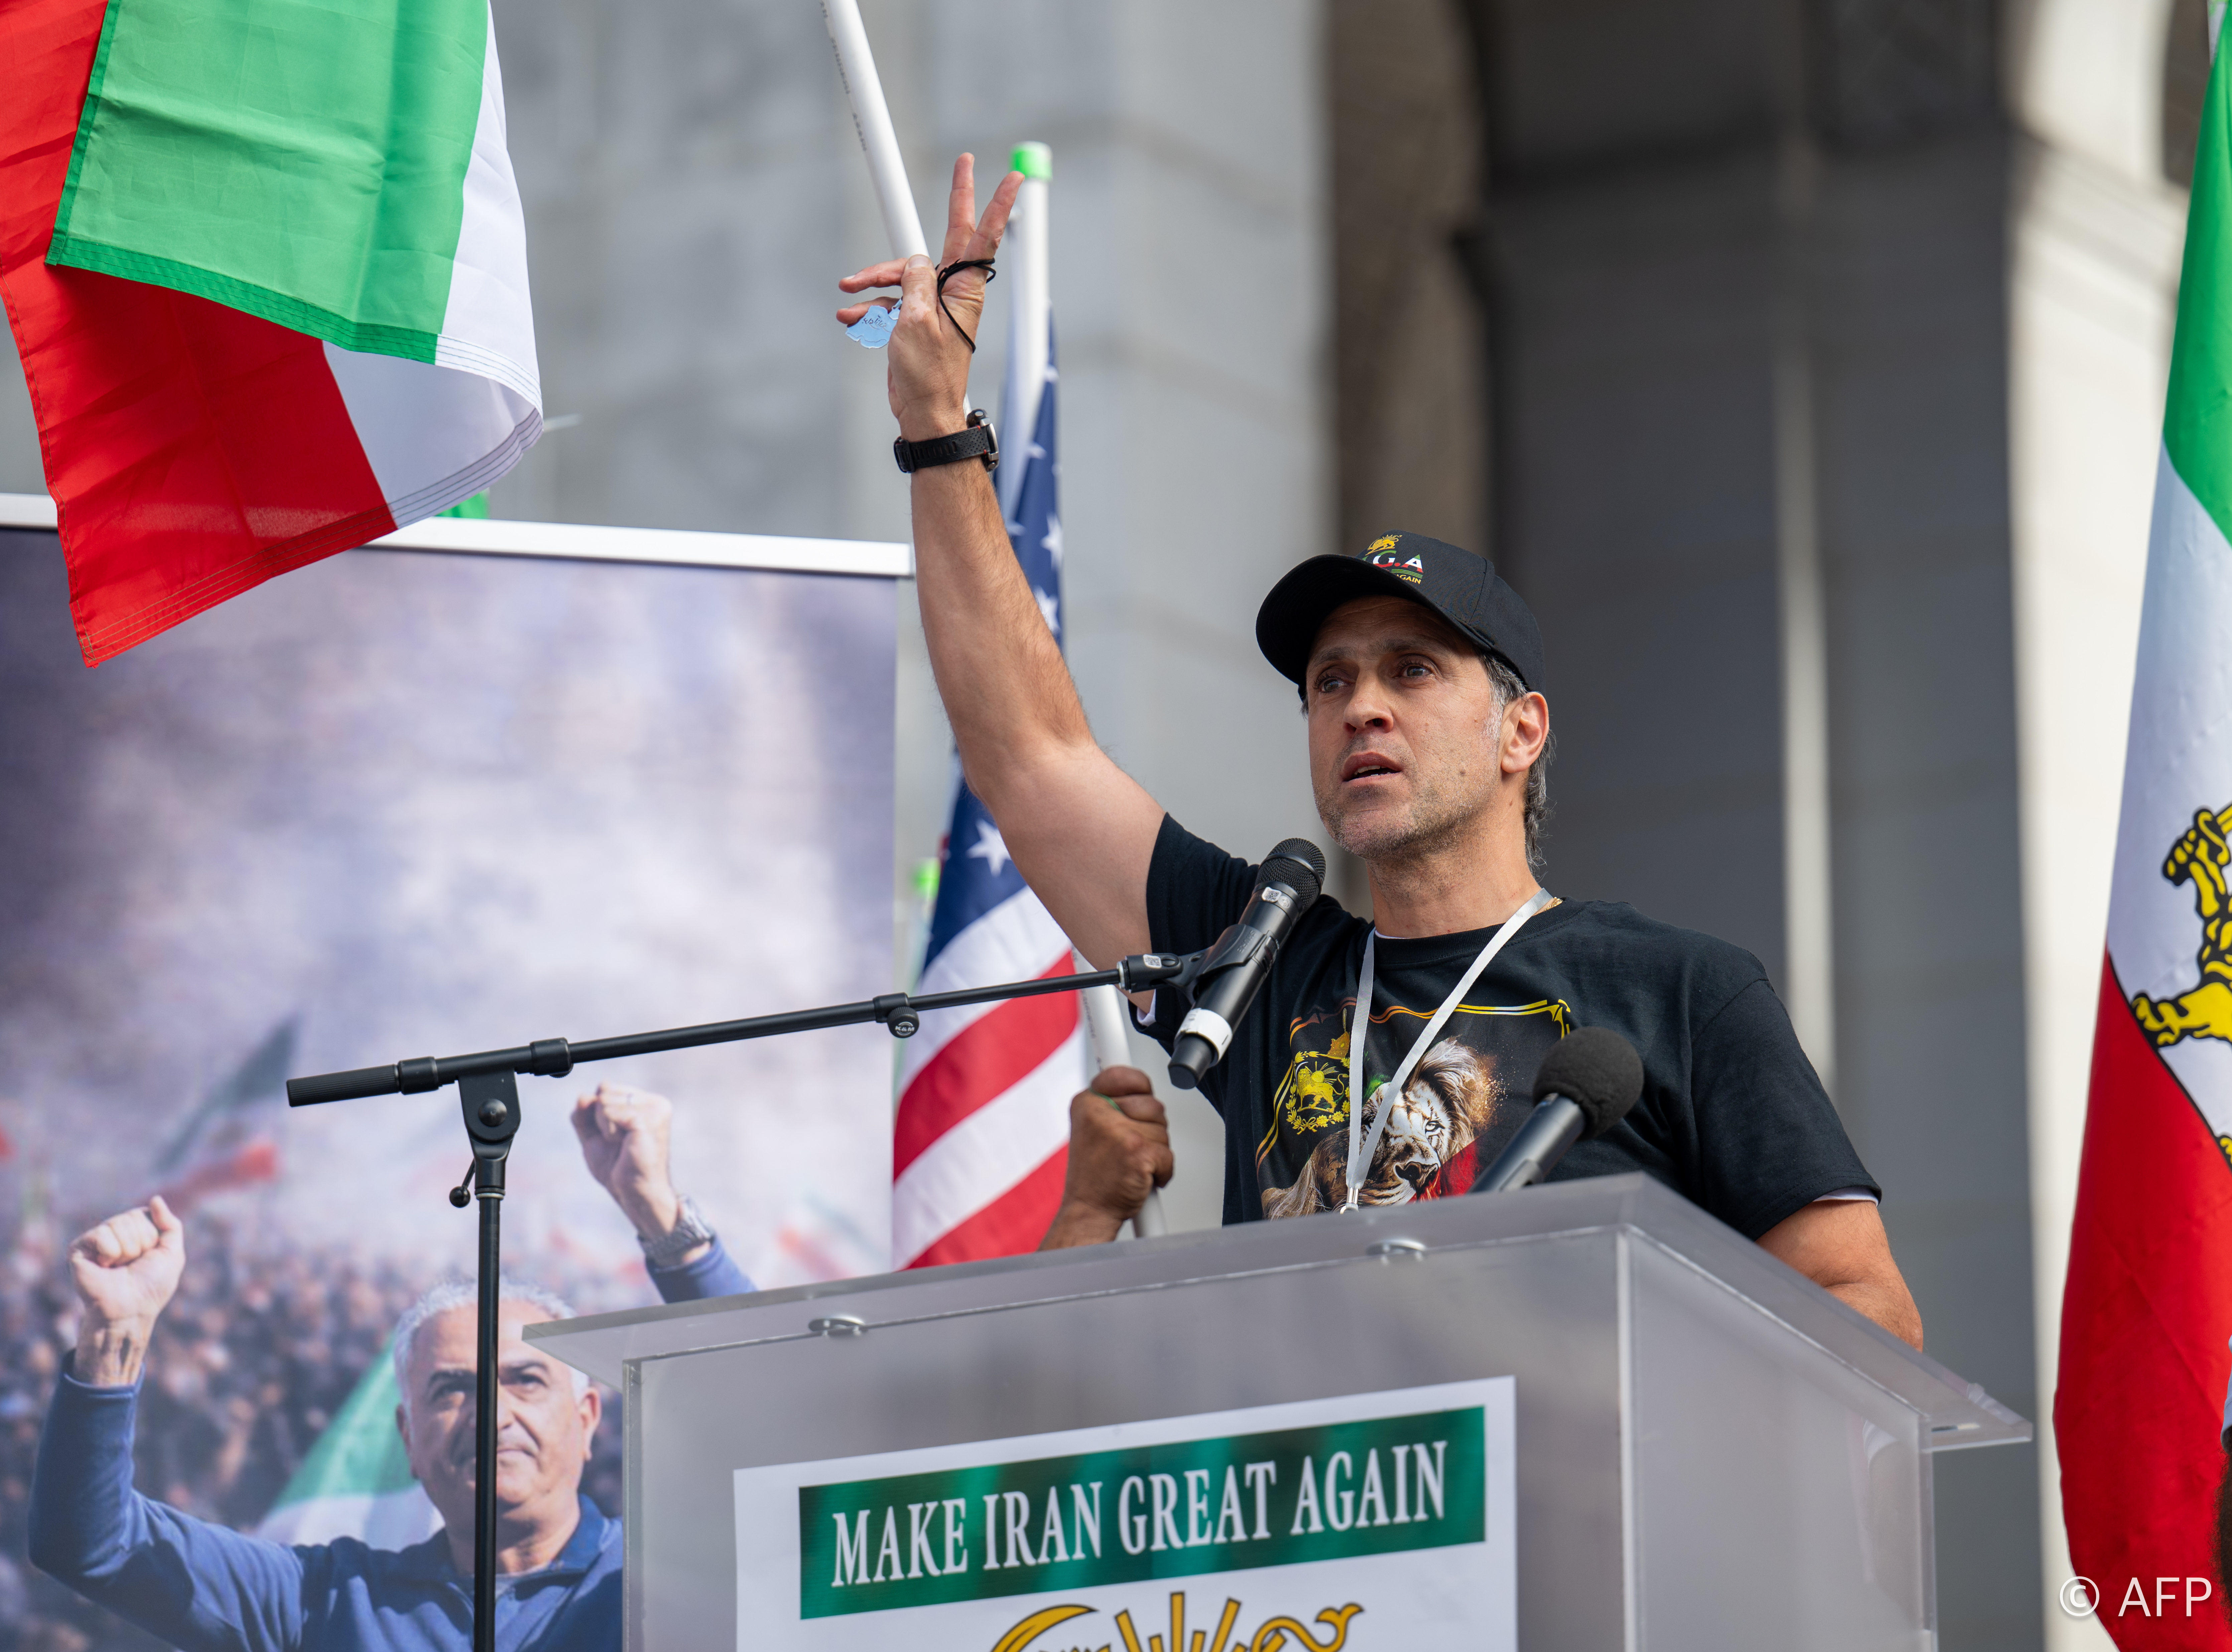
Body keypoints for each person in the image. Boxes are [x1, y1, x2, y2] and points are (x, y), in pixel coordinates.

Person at [837, 155, 1924, 1350]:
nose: (1361, 707)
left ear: (1522, 730)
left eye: (1412, 671)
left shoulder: (1676, 989)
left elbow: (1866, 1310)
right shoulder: (1260, 965)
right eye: (1329, 682)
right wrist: (937, 427)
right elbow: (1029, 756)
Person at [29, 1082, 747, 1652]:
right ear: (408, 1435)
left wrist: (662, 1218)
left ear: (588, 1415)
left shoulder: (664, 1581)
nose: (491, 1415)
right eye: (451, 1389)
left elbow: (789, 1418)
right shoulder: (326, 1600)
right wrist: (113, 1339)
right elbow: (93, 1543)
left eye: (525, 1380)